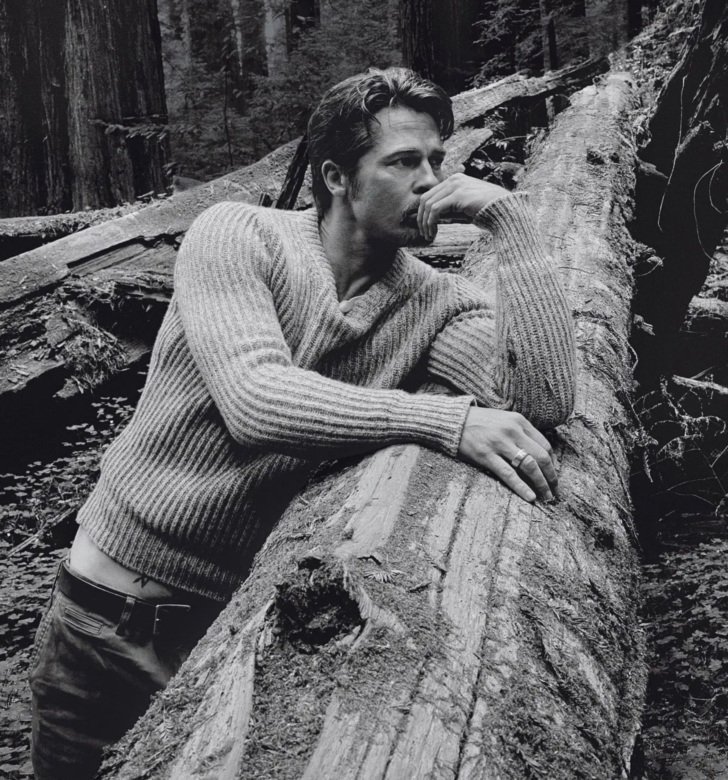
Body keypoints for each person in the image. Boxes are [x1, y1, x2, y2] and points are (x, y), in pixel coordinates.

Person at [29, 66, 576, 778]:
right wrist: (446, 419)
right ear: (336, 177)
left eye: (437, 160)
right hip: (99, 626)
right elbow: (256, 400)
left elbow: (543, 403)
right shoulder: (239, 234)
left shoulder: (438, 303)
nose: (431, 182)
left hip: (235, 634)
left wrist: (514, 223)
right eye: (403, 161)